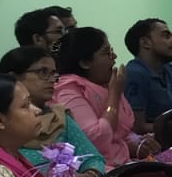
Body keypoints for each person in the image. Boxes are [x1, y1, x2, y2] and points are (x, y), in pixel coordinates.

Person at [0, 46, 106, 177]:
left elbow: (93, 157)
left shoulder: (58, 117)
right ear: (13, 78)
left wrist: (88, 176)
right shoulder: (2, 124)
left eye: (53, 74)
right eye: (43, 72)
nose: (51, 80)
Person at [54, 26, 156, 168]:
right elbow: (96, 139)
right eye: (107, 53)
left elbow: (119, 134)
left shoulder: (103, 85)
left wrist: (139, 142)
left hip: (122, 165)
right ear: (85, 62)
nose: (114, 57)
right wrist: (114, 95)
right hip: (96, 172)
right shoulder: (68, 91)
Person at [122, 18, 172, 137]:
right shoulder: (134, 74)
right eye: (166, 36)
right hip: (150, 143)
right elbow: (137, 127)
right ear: (145, 43)